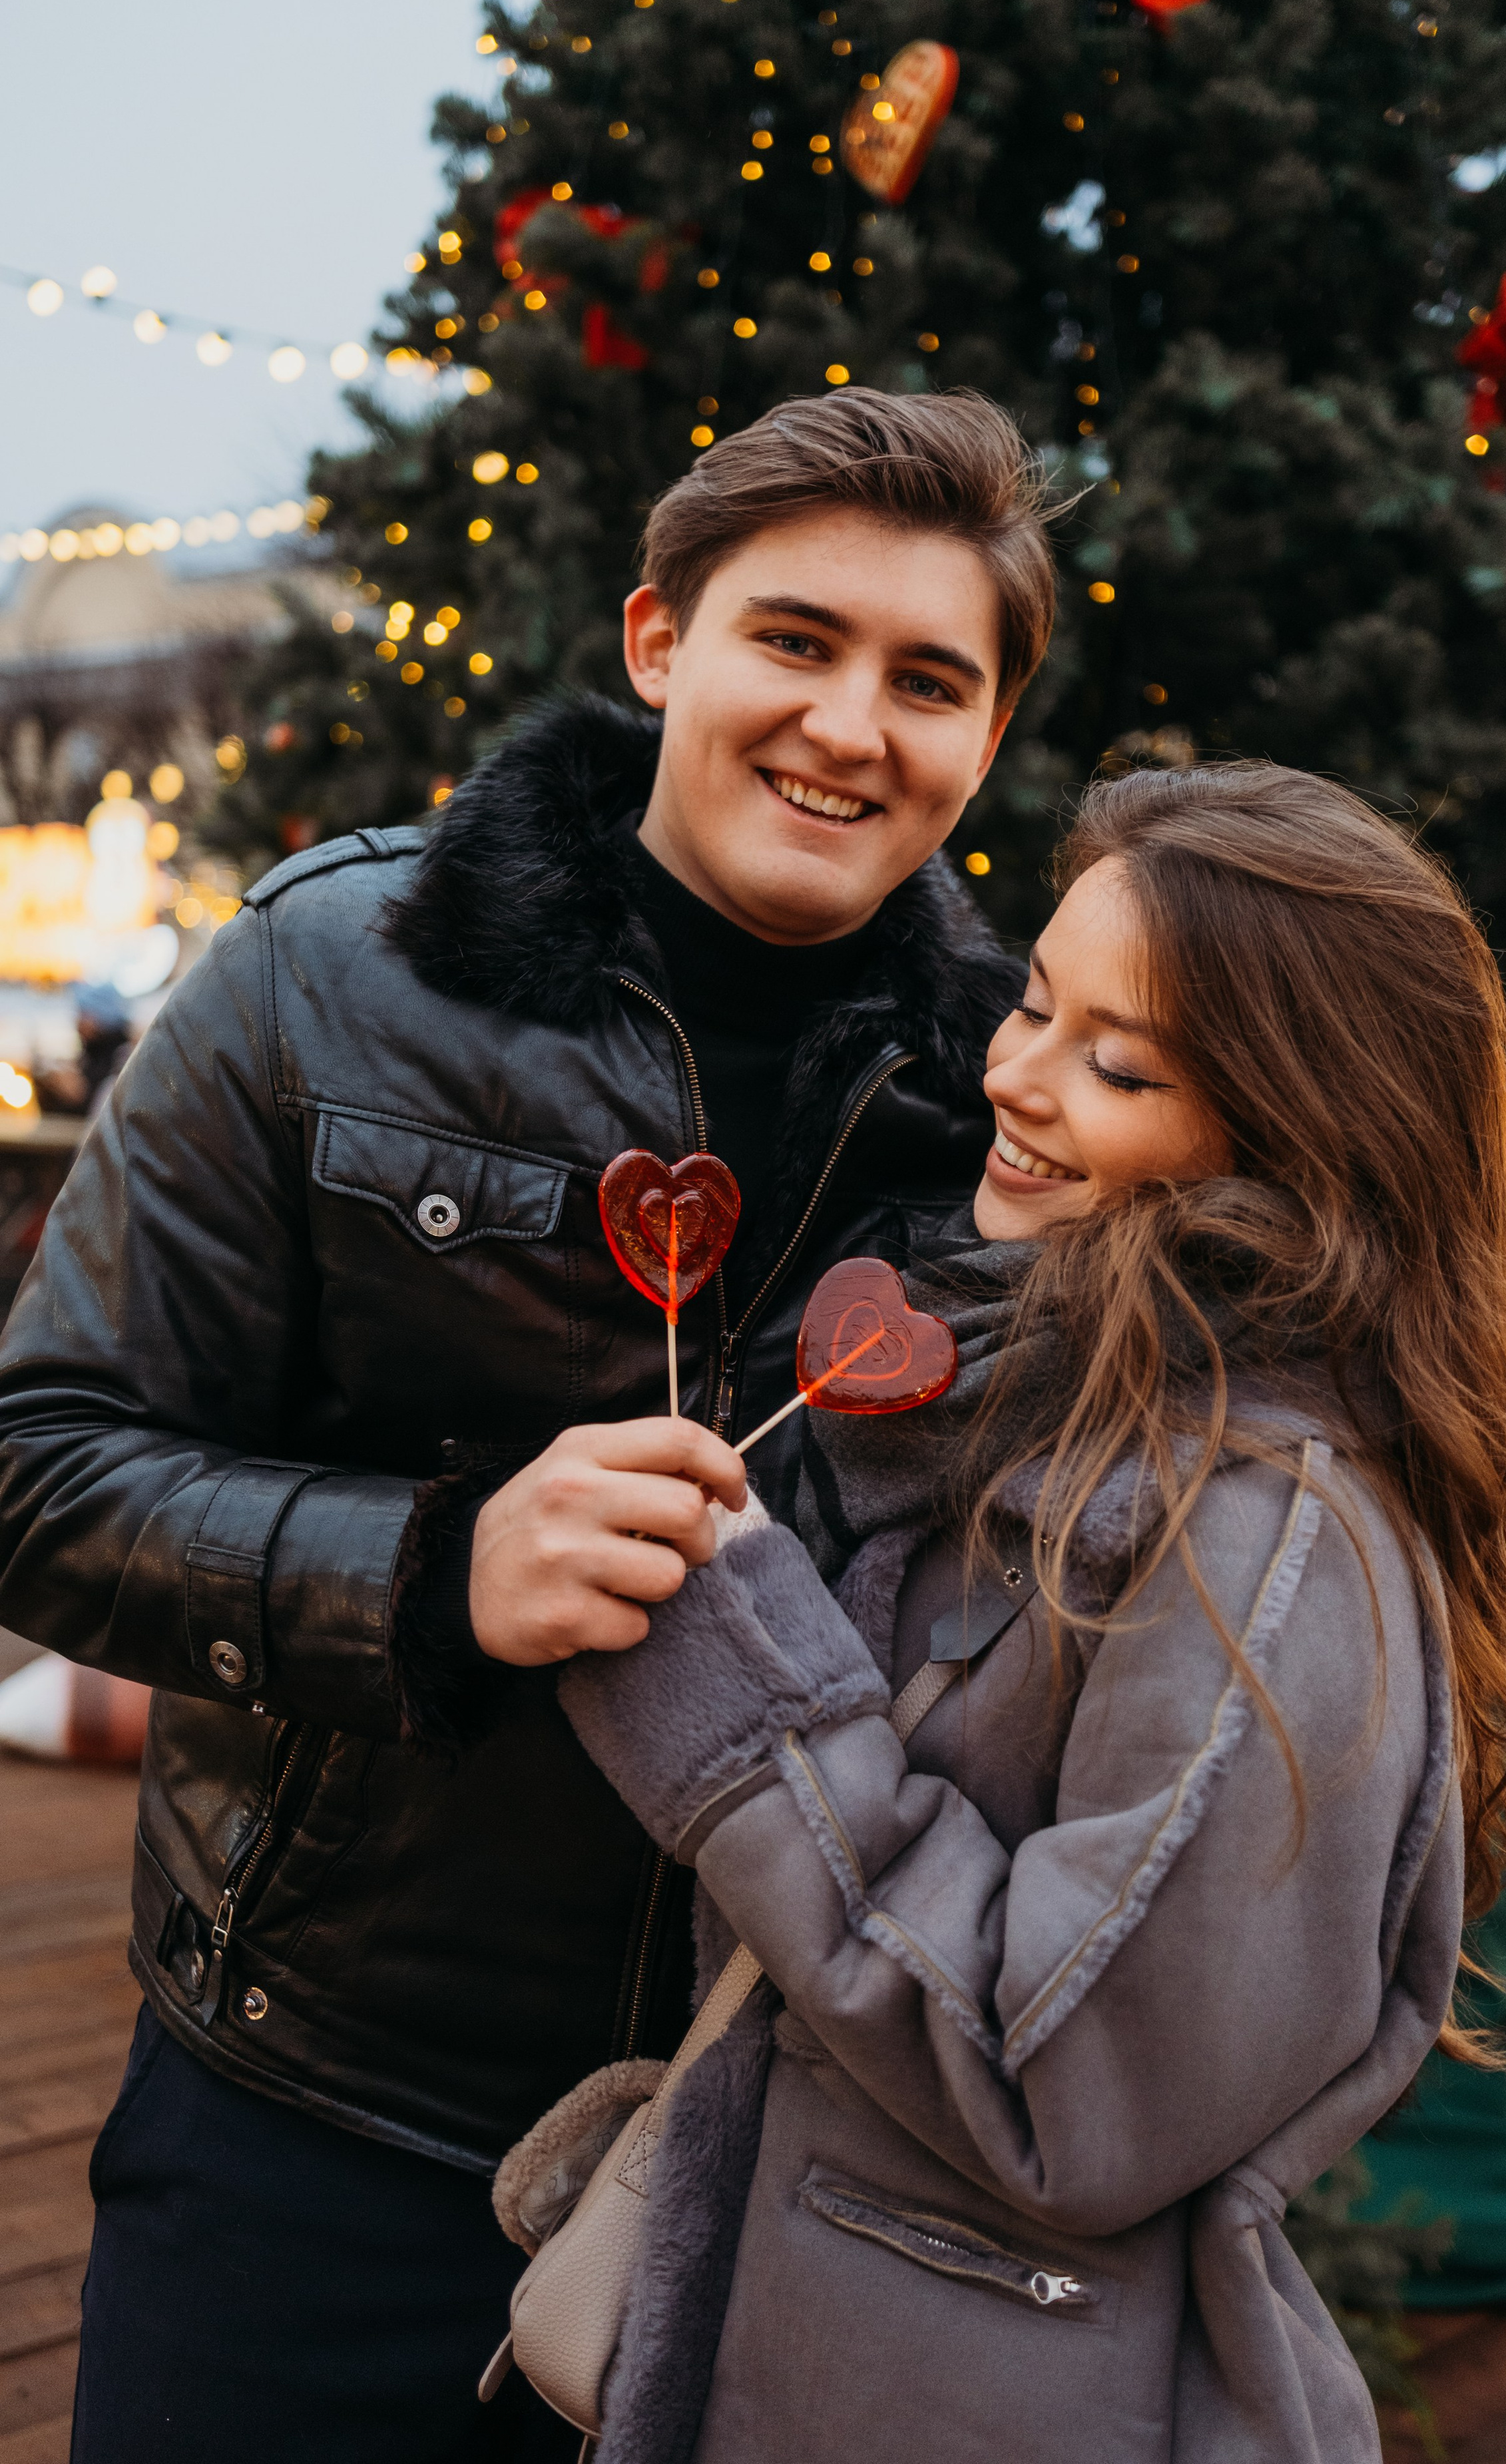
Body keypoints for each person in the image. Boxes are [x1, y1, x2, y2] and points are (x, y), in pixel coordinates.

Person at [0, 389, 1055, 2461]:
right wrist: (428, 1575)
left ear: (989, 737)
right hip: (324, 2114)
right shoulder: (329, 976)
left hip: (782, 2152)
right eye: (796, 641)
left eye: (930, 680)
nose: (853, 726)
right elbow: (37, 1460)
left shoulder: (1014, 1113)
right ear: (662, 643)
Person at [525, 758, 1506, 2463]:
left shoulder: (1260, 1540)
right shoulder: (1062, 1404)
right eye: (1032, 1004)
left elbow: (1076, 2092)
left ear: (1294, 1131)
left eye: (1118, 1064)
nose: (1014, 1078)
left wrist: (746, 1705)